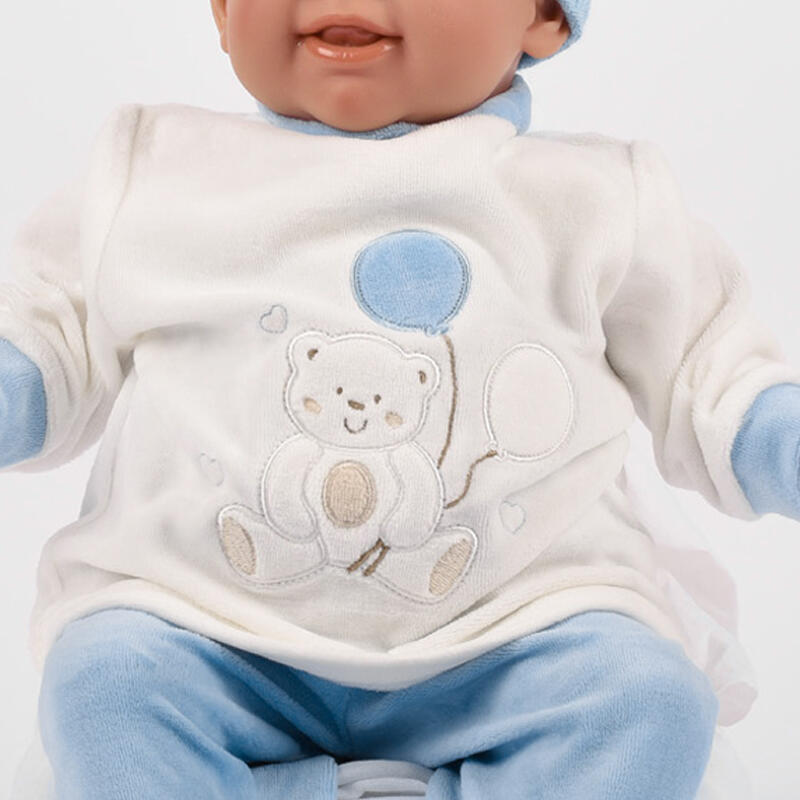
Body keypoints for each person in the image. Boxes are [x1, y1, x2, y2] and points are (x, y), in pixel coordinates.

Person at [2, 1, 798, 797]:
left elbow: (713, 373)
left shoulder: (593, 199)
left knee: (648, 704)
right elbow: (49, 337)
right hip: (204, 629)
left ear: (545, 16)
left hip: (517, 637)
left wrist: (777, 437)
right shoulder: (155, 174)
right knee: (104, 684)